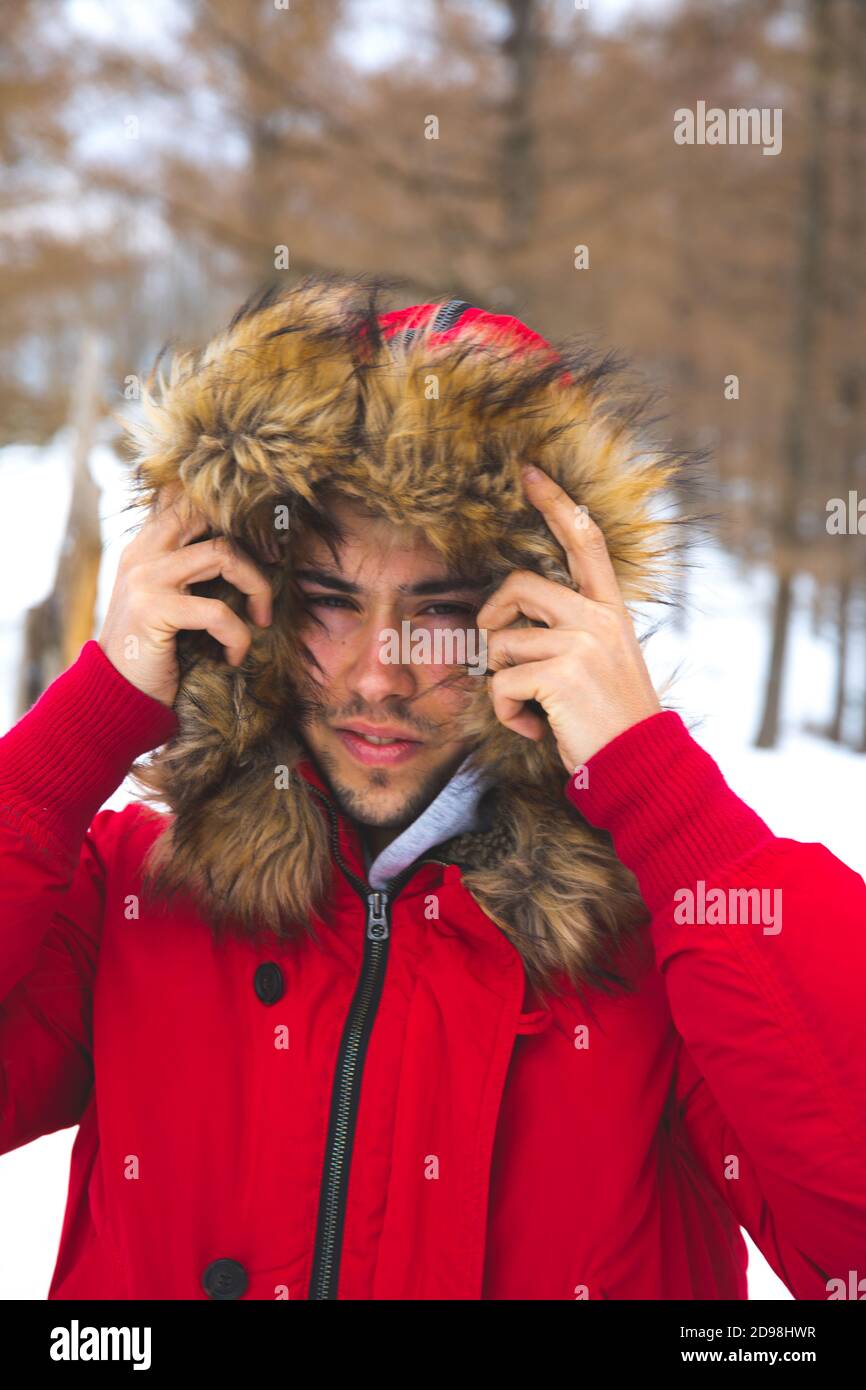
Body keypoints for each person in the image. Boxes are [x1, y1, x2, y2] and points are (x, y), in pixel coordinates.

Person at [1, 276, 864, 1301]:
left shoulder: (659, 949)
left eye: (439, 610)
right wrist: (82, 727)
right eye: (329, 602)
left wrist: (662, 797)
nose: (378, 674)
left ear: (545, 614)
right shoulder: (133, 893)